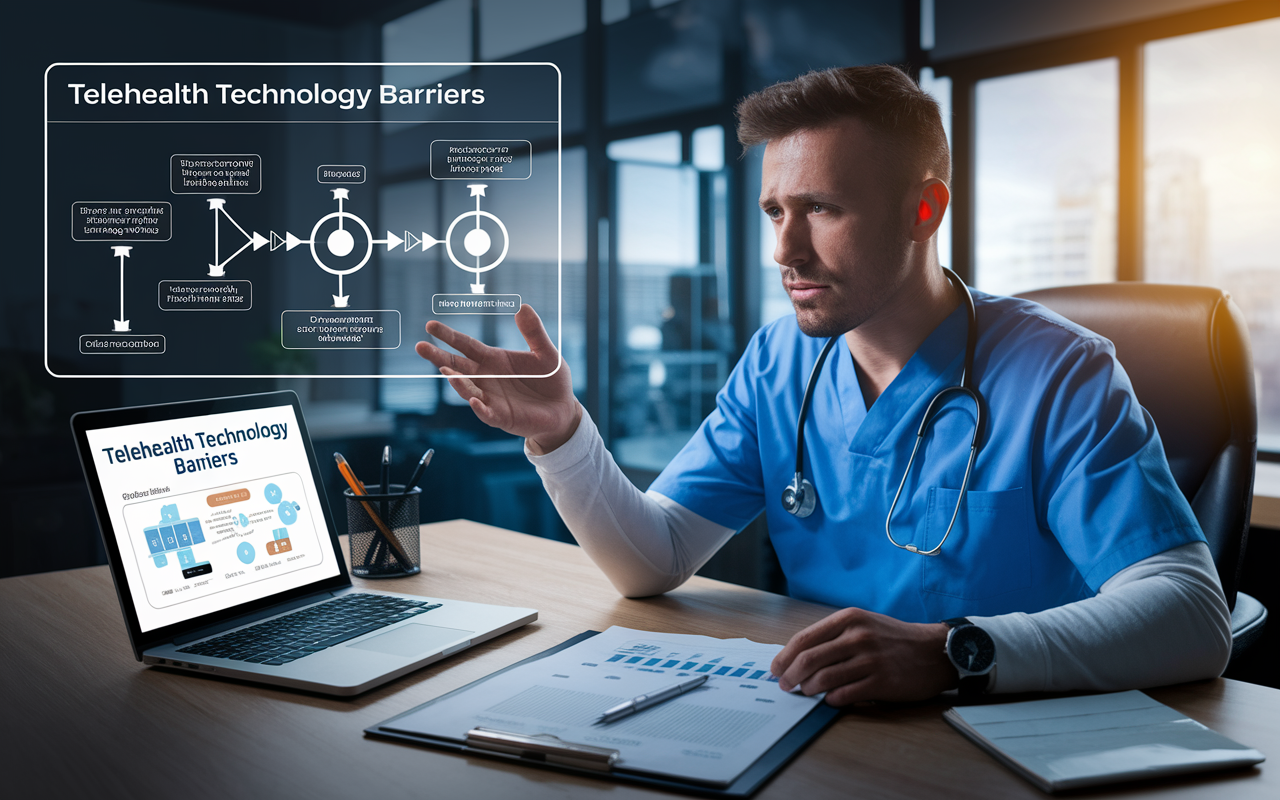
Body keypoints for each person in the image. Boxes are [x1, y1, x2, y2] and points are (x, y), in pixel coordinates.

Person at [416, 65, 1231, 706]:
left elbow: (1193, 614)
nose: (785, 251)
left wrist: (953, 652)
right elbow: (653, 559)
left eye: (821, 208)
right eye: (775, 211)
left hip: (1003, 730)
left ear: (925, 208)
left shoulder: (1059, 370)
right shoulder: (779, 362)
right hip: (827, 721)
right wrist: (563, 433)